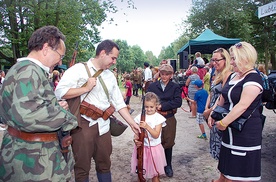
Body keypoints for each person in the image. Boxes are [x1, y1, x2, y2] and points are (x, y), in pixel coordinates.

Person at [55, 39, 140, 182]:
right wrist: (85, 88)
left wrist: (132, 124)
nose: (114, 62)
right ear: (102, 53)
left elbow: (119, 103)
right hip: (83, 125)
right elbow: (59, 92)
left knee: (105, 164)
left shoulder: (110, 76)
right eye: (113, 58)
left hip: (104, 126)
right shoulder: (78, 70)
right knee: (82, 167)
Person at [0, 25, 78, 181]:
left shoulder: (23, 69)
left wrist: (54, 105)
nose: (60, 60)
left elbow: (26, 105)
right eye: (60, 55)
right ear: (46, 48)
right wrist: (66, 117)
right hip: (33, 159)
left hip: (28, 152)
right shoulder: (28, 71)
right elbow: (27, 115)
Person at [209, 42, 263, 182]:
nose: (231, 62)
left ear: (245, 58)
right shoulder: (234, 76)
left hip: (245, 133)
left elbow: (243, 105)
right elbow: (222, 96)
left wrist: (223, 122)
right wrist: (213, 113)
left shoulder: (254, 78)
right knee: (226, 171)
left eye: (234, 59)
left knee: (238, 175)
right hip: (229, 131)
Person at [147, 64, 182, 178]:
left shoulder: (175, 86)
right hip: (154, 117)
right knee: (155, 141)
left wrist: (163, 106)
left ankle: (168, 165)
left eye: (167, 74)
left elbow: (178, 102)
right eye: (162, 74)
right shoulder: (153, 86)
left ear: (171, 75)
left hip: (168, 117)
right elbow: (146, 98)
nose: (164, 76)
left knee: (168, 142)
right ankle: (156, 165)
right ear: (159, 73)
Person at [131, 92, 167, 182]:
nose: (149, 109)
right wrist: (135, 140)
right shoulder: (139, 117)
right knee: (140, 173)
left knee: (155, 175)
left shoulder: (158, 118)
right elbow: (136, 134)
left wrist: (147, 127)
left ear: (157, 106)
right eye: (146, 107)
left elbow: (156, 135)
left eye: (151, 107)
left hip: (154, 150)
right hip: (142, 149)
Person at [204, 48, 232, 160]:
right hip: (213, 112)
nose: (214, 63)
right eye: (212, 60)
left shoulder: (228, 75)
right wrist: (207, 108)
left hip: (219, 113)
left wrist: (210, 111)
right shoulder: (216, 74)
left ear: (226, 60)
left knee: (222, 148)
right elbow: (211, 93)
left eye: (217, 60)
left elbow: (223, 97)